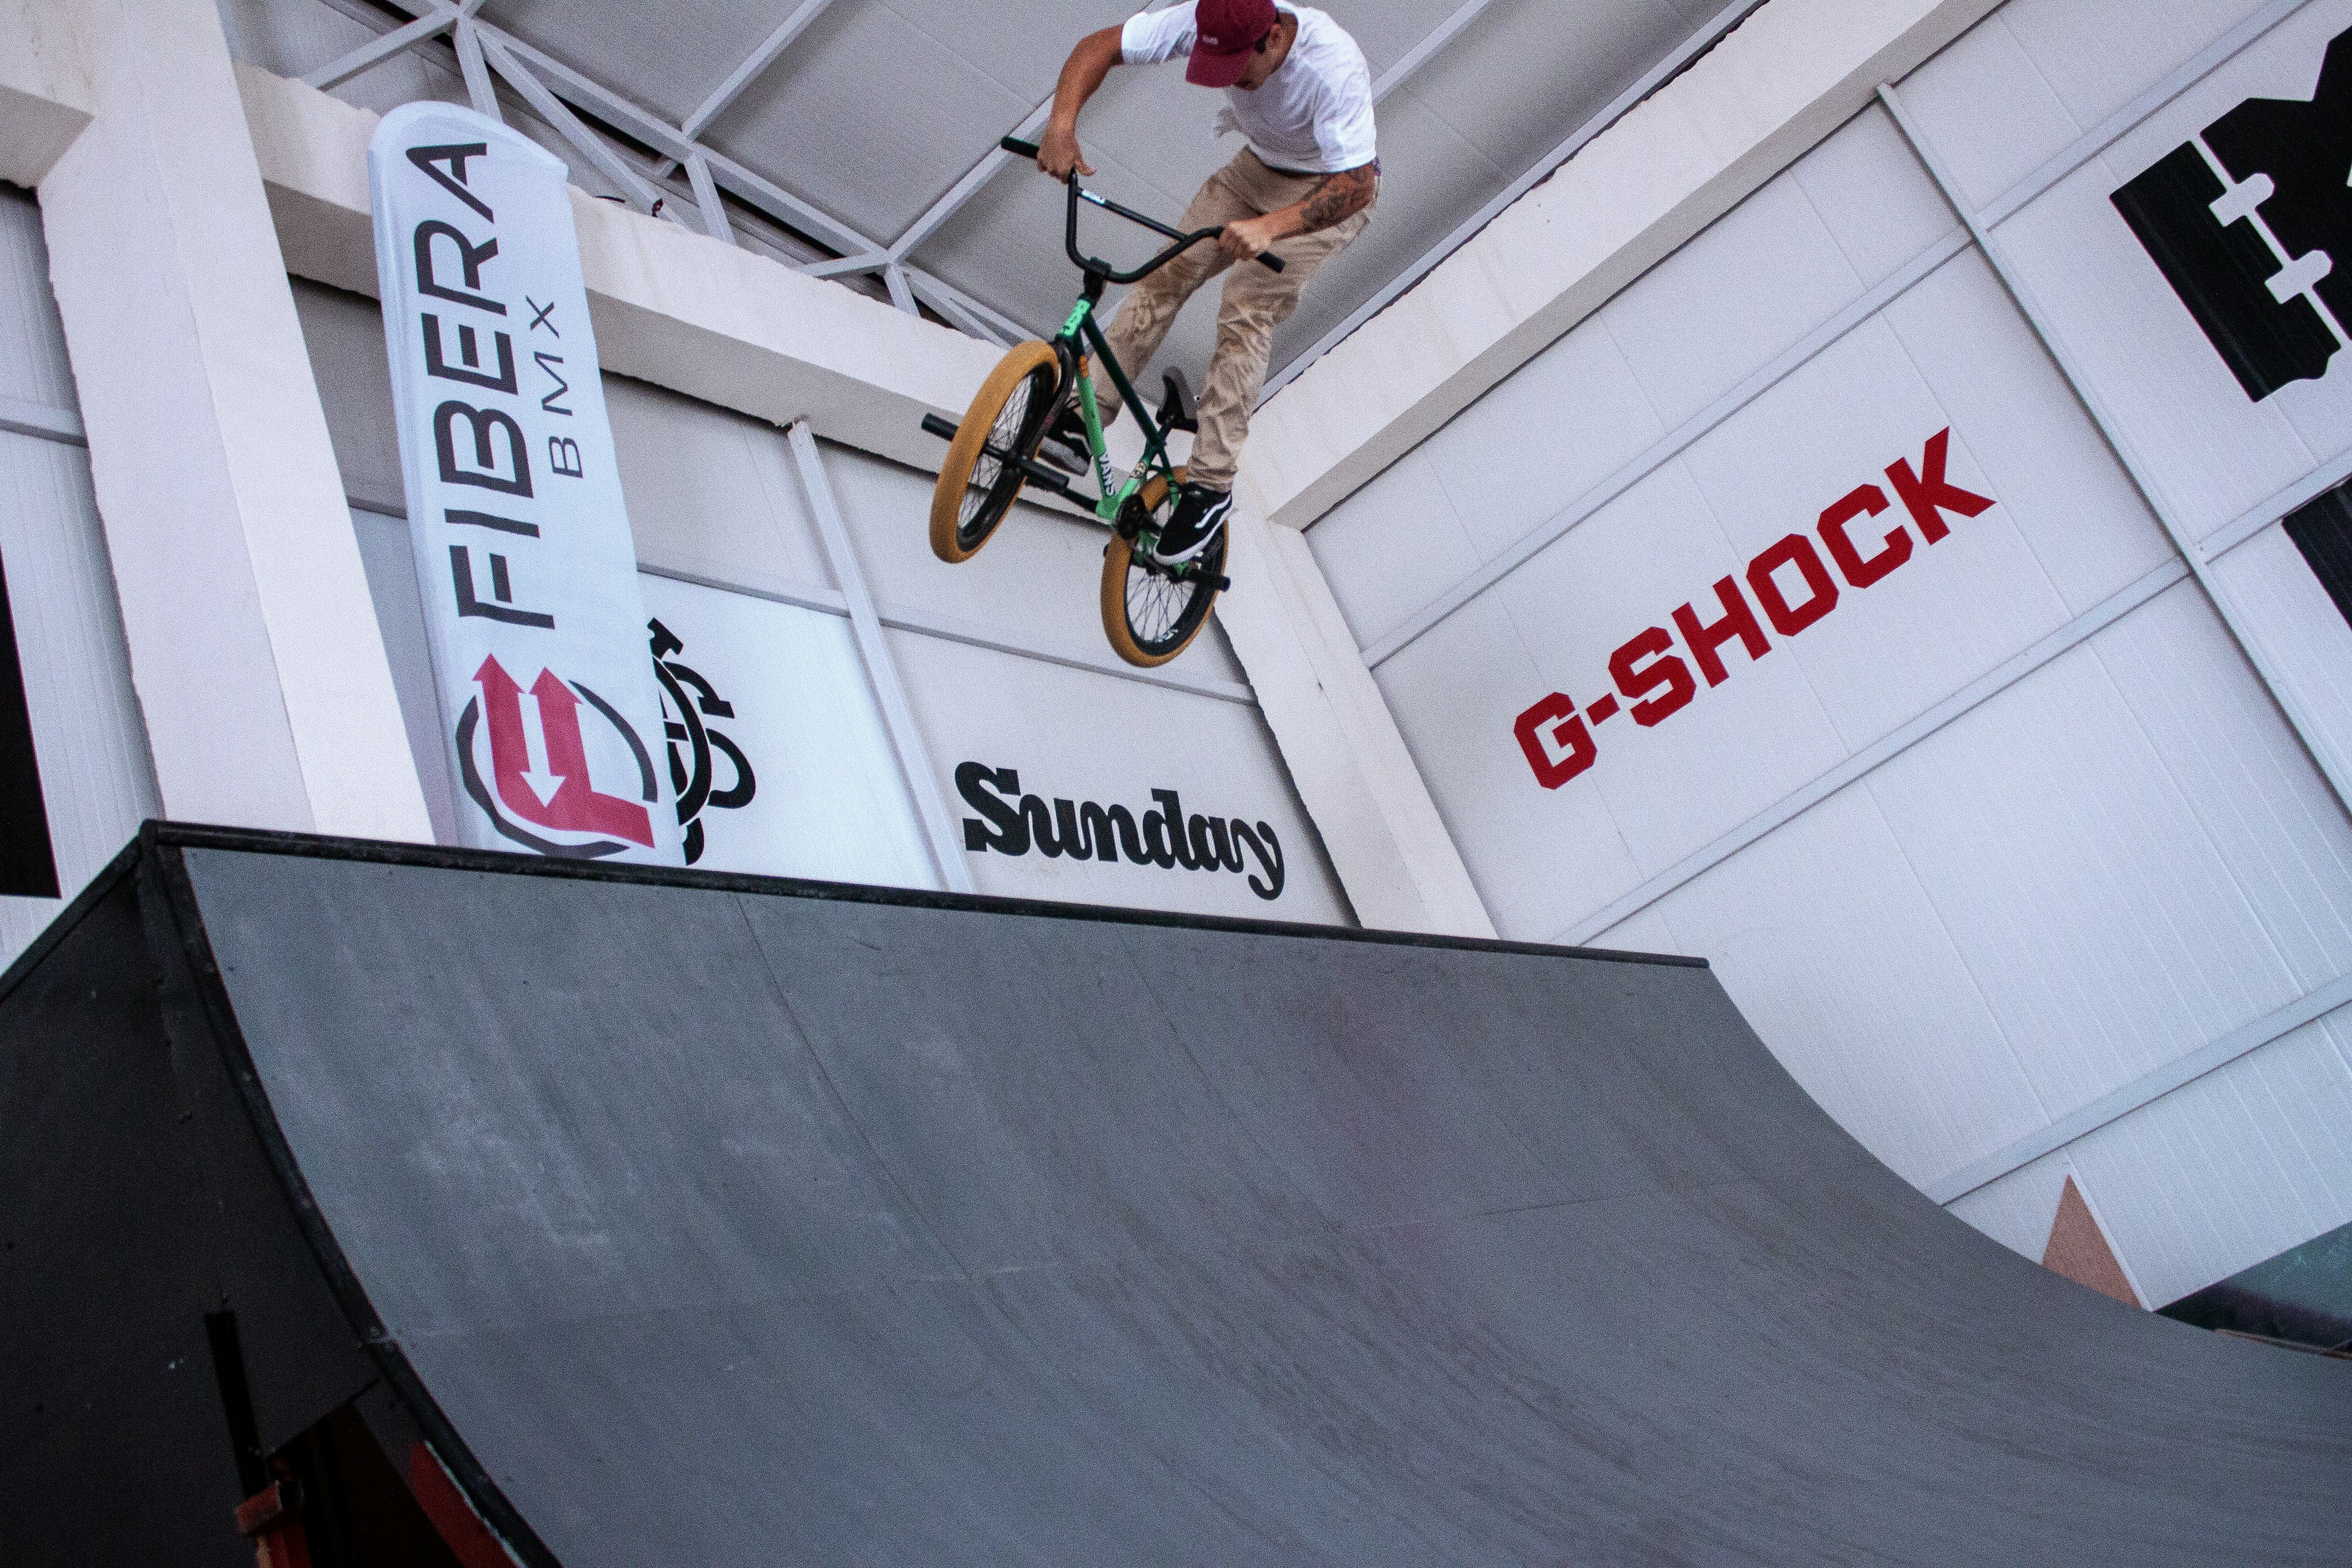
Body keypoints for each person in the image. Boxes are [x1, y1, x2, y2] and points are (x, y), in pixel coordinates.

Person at [1032, 0, 1379, 564]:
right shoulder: (1207, 15)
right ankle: (1079, 414)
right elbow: (1101, 45)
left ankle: (1211, 486)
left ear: (1272, 38)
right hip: (1255, 171)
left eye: (1239, 68)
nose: (1231, 82)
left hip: (1326, 196)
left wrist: (1271, 228)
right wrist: (1061, 124)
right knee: (1165, 272)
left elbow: (1358, 186)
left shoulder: (1331, 66)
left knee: (1246, 309)